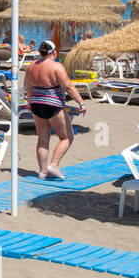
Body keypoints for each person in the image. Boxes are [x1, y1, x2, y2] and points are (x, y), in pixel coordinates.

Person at [24, 40, 86, 180]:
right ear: (53, 52)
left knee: (42, 139)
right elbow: (68, 86)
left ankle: (42, 172)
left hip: (36, 103)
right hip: (52, 104)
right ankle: (53, 164)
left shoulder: (31, 66)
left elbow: (28, 86)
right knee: (67, 137)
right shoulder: (57, 66)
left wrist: (29, 102)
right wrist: (81, 103)